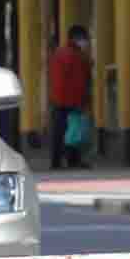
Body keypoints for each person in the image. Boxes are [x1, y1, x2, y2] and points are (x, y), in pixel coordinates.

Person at [45, 23, 95, 169]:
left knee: (61, 132)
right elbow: (79, 81)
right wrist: (83, 100)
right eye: (85, 39)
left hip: (59, 99)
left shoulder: (60, 53)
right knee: (75, 131)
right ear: (78, 38)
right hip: (72, 100)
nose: (86, 42)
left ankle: (57, 161)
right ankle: (73, 160)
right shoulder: (76, 56)